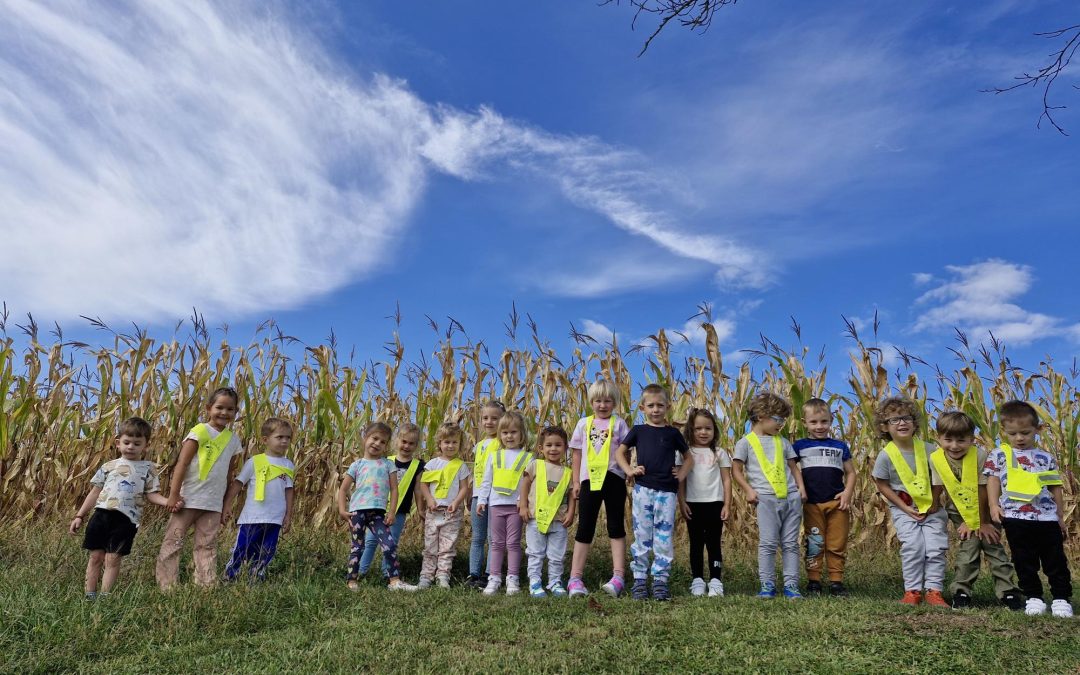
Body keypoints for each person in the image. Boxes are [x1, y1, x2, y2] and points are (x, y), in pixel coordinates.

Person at [985, 400, 1073, 618]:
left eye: (1025, 432)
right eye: (1013, 433)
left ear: (1037, 429)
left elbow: (1055, 487)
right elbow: (993, 480)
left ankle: (1061, 598)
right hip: (1015, 518)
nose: (1019, 438)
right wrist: (993, 505)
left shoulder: (1046, 458)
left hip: (1046, 518)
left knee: (1055, 560)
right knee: (1023, 560)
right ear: (1003, 431)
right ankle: (1034, 597)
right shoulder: (999, 455)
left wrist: (1060, 516)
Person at [931, 411, 1022, 610]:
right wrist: (933, 505)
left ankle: (1008, 593)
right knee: (969, 548)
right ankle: (961, 592)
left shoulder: (980, 455)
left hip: (986, 510)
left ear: (972, 439)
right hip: (959, 512)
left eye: (961, 440)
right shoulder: (936, 458)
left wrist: (983, 522)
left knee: (993, 546)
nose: (954, 446)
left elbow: (983, 489)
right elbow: (938, 486)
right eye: (948, 440)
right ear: (938, 438)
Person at [69, 417, 170, 598]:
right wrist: (79, 516)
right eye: (126, 442)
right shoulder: (108, 466)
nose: (131, 446)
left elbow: (151, 495)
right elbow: (94, 493)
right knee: (95, 557)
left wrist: (168, 502)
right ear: (118, 443)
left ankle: (105, 597)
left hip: (126, 520)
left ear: (146, 446)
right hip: (101, 515)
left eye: (137, 443)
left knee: (113, 558)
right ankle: (89, 595)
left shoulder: (148, 468)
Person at [156, 387, 244, 589]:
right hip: (188, 498)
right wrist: (174, 494)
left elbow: (229, 474)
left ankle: (205, 585)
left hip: (213, 502)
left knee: (207, 544)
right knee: (173, 542)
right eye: (219, 407)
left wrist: (225, 504)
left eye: (230, 409)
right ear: (208, 408)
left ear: (235, 412)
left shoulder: (233, 440)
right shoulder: (199, 431)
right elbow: (182, 464)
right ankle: (167, 586)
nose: (224, 413)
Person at [616, 383, 692, 601]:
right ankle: (640, 580)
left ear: (668, 407)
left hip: (667, 492)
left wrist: (682, 473)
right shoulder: (638, 431)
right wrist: (629, 470)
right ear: (642, 408)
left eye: (660, 405)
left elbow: (689, 457)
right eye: (651, 405)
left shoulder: (673, 433)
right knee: (642, 535)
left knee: (663, 536)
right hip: (643, 489)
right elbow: (620, 453)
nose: (656, 409)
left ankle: (660, 581)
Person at [871, 396, 949, 607]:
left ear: (915, 423)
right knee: (913, 547)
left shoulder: (930, 450)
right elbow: (882, 484)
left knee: (935, 548)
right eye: (894, 420)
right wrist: (903, 507)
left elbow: (939, 477)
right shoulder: (886, 456)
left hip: (932, 510)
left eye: (906, 418)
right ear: (884, 427)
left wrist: (934, 501)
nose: (902, 423)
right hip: (904, 510)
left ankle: (934, 591)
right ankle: (912, 591)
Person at [732, 392, 807, 600]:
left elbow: (793, 467)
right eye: (778, 419)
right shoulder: (745, 443)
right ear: (760, 416)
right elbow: (736, 470)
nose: (781, 424)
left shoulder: (782, 442)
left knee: (791, 543)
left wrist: (801, 488)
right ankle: (767, 586)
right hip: (765, 499)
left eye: (783, 419)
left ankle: (792, 586)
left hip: (791, 497)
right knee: (768, 543)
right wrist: (748, 490)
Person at [567, 379, 631, 598]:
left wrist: (629, 471)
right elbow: (576, 453)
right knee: (585, 526)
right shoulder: (583, 424)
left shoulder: (620, 424)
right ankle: (575, 578)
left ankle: (619, 577)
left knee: (615, 526)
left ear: (614, 403)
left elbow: (626, 451)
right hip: (588, 481)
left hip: (614, 478)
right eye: (598, 401)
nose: (602, 405)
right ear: (591, 402)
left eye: (608, 401)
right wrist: (576, 481)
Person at [337, 421, 417, 591]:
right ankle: (352, 580)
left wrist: (392, 512)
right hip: (357, 512)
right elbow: (343, 489)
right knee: (357, 547)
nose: (377, 444)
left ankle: (394, 581)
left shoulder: (388, 465)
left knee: (389, 545)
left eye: (383, 442)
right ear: (365, 438)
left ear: (387, 446)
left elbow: (394, 490)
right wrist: (342, 509)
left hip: (378, 514)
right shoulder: (357, 465)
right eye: (374, 438)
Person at [221, 417, 296, 582]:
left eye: (288, 438)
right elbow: (238, 484)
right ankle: (230, 576)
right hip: (252, 516)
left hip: (275, 517)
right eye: (279, 437)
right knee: (243, 548)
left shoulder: (289, 465)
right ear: (265, 440)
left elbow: (289, 491)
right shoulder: (254, 462)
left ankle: (255, 576)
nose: (284, 441)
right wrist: (227, 504)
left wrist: (288, 514)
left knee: (267, 550)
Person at [794, 398, 855, 596]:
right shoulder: (799, 446)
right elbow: (791, 468)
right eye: (814, 422)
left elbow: (851, 473)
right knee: (814, 543)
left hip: (837, 503)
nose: (819, 426)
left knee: (837, 543)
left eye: (824, 422)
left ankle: (836, 582)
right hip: (812, 503)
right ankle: (814, 581)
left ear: (831, 421)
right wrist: (799, 488)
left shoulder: (840, 446)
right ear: (805, 423)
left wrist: (847, 493)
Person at [358, 423, 425, 578]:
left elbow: (418, 489)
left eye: (411, 443)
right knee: (371, 541)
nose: (406, 446)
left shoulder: (418, 465)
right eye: (404, 441)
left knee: (391, 543)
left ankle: (387, 574)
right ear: (397, 441)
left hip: (399, 511)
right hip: (378, 508)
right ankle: (361, 571)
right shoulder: (386, 461)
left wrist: (421, 509)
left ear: (416, 445)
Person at [677, 407, 731, 598]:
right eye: (698, 428)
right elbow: (680, 480)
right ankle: (697, 580)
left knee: (714, 543)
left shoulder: (719, 453)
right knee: (696, 543)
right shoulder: (685, 454)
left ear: (714, 431)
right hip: (693, 504)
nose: (703, 432)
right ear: (690, 430)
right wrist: (682, 501)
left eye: (708, 428)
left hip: (715, 503)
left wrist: (726, 504)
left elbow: (726, 480)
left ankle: (716, 580)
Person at [477, 411, 532, 596]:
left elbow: (529, 484)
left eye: (514, 432)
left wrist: (523, 502)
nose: (509, 436)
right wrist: (482, 500)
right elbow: (486, 481)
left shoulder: (528, 458)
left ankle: (513, 578)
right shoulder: (494, 456)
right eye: (505, 432)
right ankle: (494, 578)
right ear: (500, 435)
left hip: (516, 507)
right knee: (496, 543)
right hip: (496, 505)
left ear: (522, 434)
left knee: (513, 543)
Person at [519, 425, 575, 598]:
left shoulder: (568, 473)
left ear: (565, 448)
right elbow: (525, 485)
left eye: (558, 445)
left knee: (557, 555)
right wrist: (523, 506)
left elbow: (572, 495)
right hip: (536, 518)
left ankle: (555, 582)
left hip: (558, 521)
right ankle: (535, 582)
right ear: (541, 448)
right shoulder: (535, 465)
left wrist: (571, 512)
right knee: (535, 553)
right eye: (549, 445)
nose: (553, 449)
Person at [417, 423, 472, 589]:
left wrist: (456, 502)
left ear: (460, 444)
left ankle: (443, 576)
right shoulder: (433, 464)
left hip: (452, 513)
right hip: (434, 511)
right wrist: (430, 499)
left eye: (454, 442)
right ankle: (426, 576)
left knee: (448, 546)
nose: (450, 445)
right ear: (439, 443)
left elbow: (464, 488)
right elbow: (424, 485)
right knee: (430, 545)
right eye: (447, 442)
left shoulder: (460, 466)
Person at [466, 400, 505, 588]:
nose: (489, 422)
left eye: (494, 418)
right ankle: (473, 574)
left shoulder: (503, 443)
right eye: (485, 418)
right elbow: (476, 471)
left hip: (496, 497)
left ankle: (490, 573)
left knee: (493, 537)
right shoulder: (479, 445)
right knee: (477, 536)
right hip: (477, 496)